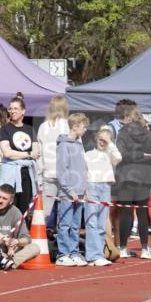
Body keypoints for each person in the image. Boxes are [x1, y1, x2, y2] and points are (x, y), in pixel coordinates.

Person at [111, 104, 151, 259]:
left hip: (126, 176)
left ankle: (123, 247)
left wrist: (135, 155)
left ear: (128, 117)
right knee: (142, 214)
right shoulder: (147, 132)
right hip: (144, 176)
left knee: (125, 213)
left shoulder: (123, 132)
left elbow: (121, 154)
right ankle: (145, 248)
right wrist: (142, 155)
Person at [0, 183, 40, 270]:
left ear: (11, 201)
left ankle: (8, 262)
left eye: (4, 198)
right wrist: (4, 238)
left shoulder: (16, 212)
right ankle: (0, 259)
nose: (0, 201)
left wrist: (16, 242)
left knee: (35, 248)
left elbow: (27, 238)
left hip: (6, 251)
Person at [83, 126, 122, 266]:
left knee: (101, 223)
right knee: (91, 222)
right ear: (96, 139)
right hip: (92, 186)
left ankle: (98, 254)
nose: (102, 141)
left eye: (105, 139)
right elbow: (83, 173)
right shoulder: (88, 154)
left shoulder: (109, 154)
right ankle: (92, 255)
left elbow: (118, 158)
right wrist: (85, 191)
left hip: (106, 186)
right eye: (100, 138)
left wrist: (109, 142)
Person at [55, 112, 89, 266]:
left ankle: (74, 253)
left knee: (76, 226)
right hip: (68, 194)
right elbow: (62, 171)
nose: (85, 129)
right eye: (84, 127)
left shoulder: (79, 144)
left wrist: (84, 190)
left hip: (80, 193)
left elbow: (82, 169)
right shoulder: (63, 145)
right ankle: (63, 254)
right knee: (65, 225)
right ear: (75, 127)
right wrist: (70, 191)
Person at [0, 94, 39, 213]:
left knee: (24, 208)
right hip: (10, 173)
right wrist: (28, 154)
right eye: (10, 108)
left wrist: (26, 154)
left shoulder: (30, 129)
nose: (12, 111)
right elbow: (7, 153)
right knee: (8, 207)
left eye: (16, 108)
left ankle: (22, 226)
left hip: (27, 173)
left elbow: (36, 152)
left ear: (23, 111)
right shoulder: (5, 129)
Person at [36, 95, 70, 225]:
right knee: (65, 213)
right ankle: (62, 237)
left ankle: (38, 235)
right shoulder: (69, 126)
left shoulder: (42, 127)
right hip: (66, 173)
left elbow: (39, 155)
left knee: (44, 212)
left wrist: (39, 176)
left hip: (48, 172)